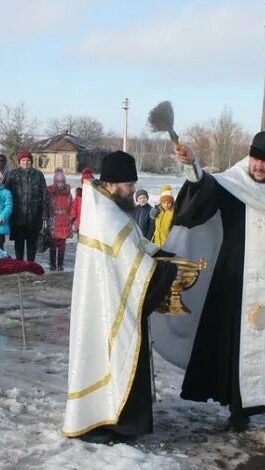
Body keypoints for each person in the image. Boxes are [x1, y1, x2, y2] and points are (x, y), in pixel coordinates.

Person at [155, 131, 265, 432]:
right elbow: (204, 189)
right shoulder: (233, 184)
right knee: (239, 345)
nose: (259, 166)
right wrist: (192, 166)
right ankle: (239, 408)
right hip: (240, 281)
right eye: (255, 159)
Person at [62, 151, 177, 441]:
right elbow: (135, 264)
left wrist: (162, 255)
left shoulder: (104, 207)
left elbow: (136, 246)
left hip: (106, 301)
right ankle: (118, 422)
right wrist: (165, 272)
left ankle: (109, 416)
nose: (132, 192)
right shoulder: (107, 215)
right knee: (116, 356)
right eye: (128, 185)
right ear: (113, 184)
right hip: (110, 304)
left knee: (106, 358)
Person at [5, 150, 48, 261]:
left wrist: (44, 213)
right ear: (19, 162)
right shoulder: (12, 174)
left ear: (31, 162)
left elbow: (44, 194)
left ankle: (30, 264)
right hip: (17, 214)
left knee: (31, 241)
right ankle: (19, 263)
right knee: (19, 241)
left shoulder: (38, 175)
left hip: (34, 215)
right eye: (23, 160)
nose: (26, 162)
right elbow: (6, 193)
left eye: (28, 160)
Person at [46, 168, 73, 270]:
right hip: (54, 220)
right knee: (53, 244)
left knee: (62, 245)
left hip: (64, 221)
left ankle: (60, 264)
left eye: (62, 182)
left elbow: (71, 207)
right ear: (55, 182)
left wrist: (71, 219)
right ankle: (52, 264)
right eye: (58, 182)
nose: (60, 184)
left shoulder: (68, 194)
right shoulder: (50, 193)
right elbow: (47, 206)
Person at [70, 168, 94, 234]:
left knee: (81, 241)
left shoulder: (79, 195)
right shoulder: (94, 194)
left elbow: (73, 208)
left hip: (80, 224)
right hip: (91, 224)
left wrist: (73, 218)